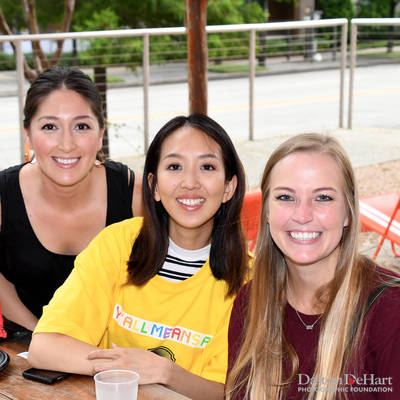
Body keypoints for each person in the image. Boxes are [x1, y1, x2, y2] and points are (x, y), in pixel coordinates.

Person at [28, 114, 250, 400]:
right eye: (174, 166)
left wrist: (166, 372)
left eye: (207, 167)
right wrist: (130, 368)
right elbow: (45, 347)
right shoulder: (118, 243)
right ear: (154, 185)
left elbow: (229, 391)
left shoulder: (249, 279)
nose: (190, 182)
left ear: (229, 187)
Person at [226, 133, 400, 400]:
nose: (303, 215)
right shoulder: (251, 303)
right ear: (267, 212)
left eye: (323, 198)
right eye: (285, 197)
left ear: (348, 213)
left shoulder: (390, 310)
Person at [0, 66, 143, 338]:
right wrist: (40, 335)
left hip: (116, 355)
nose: (66, 144)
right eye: (50, 127)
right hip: (25, 343)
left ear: (100, 133)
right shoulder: (3, 198)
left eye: (81, 126)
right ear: (27, 135)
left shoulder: (135, 196)